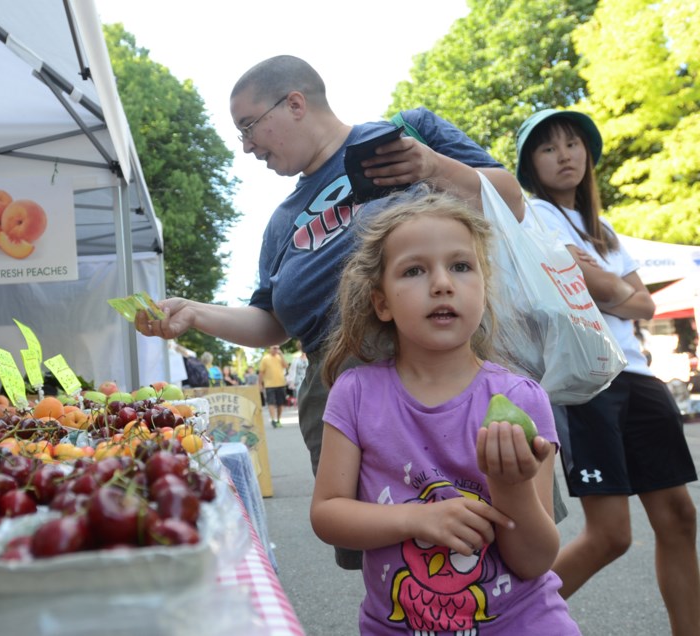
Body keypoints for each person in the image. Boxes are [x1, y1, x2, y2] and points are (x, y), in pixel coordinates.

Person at [135, 55, 524, 569]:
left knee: (507, 534)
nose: (247, 146)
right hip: (340, 389)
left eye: (248, 126)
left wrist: (432, 166)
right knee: (389, 556)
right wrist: (194, 313)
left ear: (294, 103)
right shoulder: (281, 222)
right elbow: (273, 322)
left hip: (449, 367)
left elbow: (512, 202)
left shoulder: (405, 133)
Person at [309, 190, 578, 634]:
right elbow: (328, 515)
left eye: (460, 266)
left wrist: (511, 489)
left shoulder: (521, 398)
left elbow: (534, 560)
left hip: (523, 623)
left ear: (483, 285)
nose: (441, 283)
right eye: (414, 270)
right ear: (382, 303)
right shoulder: (354, 394)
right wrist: (419, 518)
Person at [516, 108, 699, 634]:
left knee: (680, 518)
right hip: (587, 378)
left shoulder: (606, 230)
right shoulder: (532, 215)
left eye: (573, 144)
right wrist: (615, 289)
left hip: (640, 378)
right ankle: (495, 619)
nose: (565, 154)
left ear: (588, 154)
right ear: (531, 166)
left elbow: (645, 306)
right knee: (611, 534)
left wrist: (606, 284)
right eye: (548, 148)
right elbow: (612, 291)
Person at [259, 345, 288, 427]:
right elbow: (261, 372)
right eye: (274, 348)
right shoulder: (265, 358)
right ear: (270, 349)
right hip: (269, 385)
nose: (276, 350)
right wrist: (260, 384)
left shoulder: (280, 357)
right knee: (271, 402)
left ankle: (278, 419)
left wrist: (281, 355)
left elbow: (286, 366)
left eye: (278, 348)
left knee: (280, 403)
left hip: (281, 384)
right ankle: (273, 419)